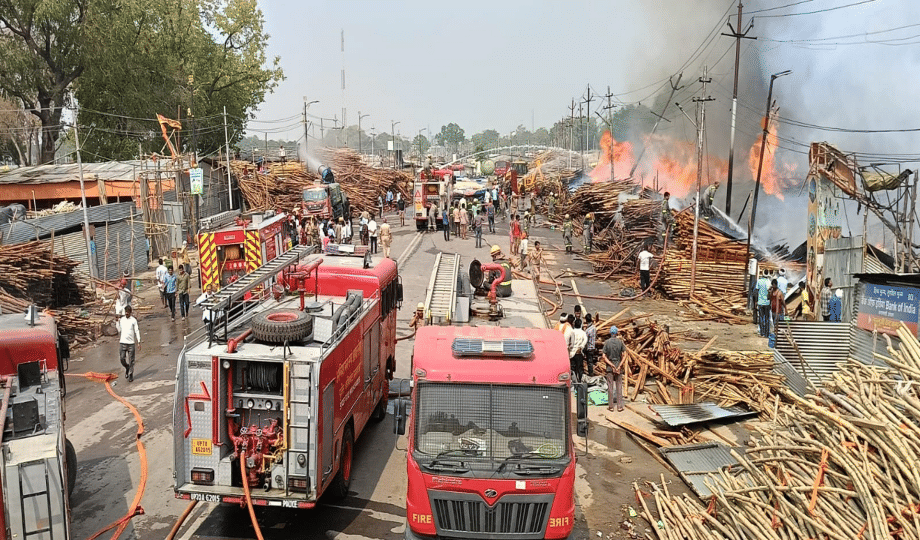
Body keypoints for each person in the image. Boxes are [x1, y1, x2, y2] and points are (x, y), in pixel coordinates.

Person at [599, 326, 625, 412]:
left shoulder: (607, 342)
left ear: (610, 333)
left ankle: (611, 406)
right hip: (618, 365)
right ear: (617, 333)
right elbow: (625, 355)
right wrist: (619, 366)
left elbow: (604, 356)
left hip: (610, 367)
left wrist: (611, 365)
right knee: (619, 386)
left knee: (610, 386)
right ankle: (619, 406)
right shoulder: (620, 342)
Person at [116, 305, 141, 382]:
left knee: (131, 360)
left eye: (128, 312)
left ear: (130, 312)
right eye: (125, 312)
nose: (126, 313)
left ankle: (130, 374)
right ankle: (127, 367)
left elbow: (136, 331)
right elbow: (119, 329)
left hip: (131, 343)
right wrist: (117, 322)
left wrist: (139, 341)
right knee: (122, 358)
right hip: (123, 342)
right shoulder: (122, 320)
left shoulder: (133, 320)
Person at [569, 318, 588, 382]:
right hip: (579, 353)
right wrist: (581, 347)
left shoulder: (572, 332)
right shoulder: (583, 333)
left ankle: (573, 382)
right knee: (580, 368)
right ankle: (580, 381)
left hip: (572, 353)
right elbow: (585, 340)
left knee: (572, 369)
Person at [756, 269, 771, 337]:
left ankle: (762, 333)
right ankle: (767, 333)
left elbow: (756, 291)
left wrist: (756, 301)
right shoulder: (769, 282)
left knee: (761, 318)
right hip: (767, 303)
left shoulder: (759, 281)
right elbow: (770, 292)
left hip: (760, 302)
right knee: (767, 318)